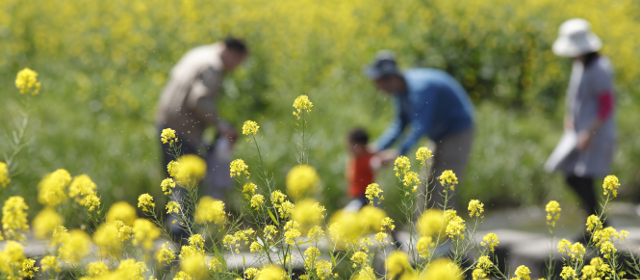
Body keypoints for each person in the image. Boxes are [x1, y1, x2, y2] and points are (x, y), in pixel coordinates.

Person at [156, 37, 248, 241]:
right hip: (183, 130)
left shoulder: (198, 53)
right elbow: (199, 99)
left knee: (176, 181)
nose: (236, 68)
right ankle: (181, 237)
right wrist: (221, 126)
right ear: (233, 53)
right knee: (186, 184)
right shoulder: (213, 65)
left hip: (165, 124)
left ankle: (178, 237)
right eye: (239, 62)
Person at [363, 50, 475, 211]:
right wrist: (377, 148)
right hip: (438, 134)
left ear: (391, 79)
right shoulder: (400, 92)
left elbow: (420, 127)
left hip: (457, 131)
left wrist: (398, 153)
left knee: (443, 188)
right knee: (426, 185)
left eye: (379, 82)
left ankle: (448, 234)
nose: (378, 89)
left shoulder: (421, 89)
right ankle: (423, 234)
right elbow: (400, 125)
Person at [545, 19, 616, 224]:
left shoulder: (600, 68)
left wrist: (589, 132)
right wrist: (570, 117)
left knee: (581, 178)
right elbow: (578, 97)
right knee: (572, 176)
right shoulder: (581, 64)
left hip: (595, 133)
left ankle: (597, 225)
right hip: (581, 132)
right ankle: (596, 223)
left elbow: (607, 105)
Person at [344, 128, 382, 211]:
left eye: (351, 144)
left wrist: (378, 155)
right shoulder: (355, 158)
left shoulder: (369, 160)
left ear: (360, 145)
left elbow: (380, 162)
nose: (348, 147)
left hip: (366, 198)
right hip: (358, 198)